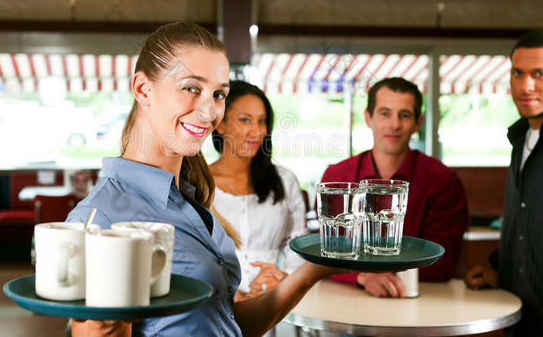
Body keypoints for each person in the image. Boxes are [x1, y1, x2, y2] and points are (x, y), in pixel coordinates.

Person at [66, 21, 349, 337]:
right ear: (143, 89)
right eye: (191, 88)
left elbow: (226, 323)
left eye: (218, 94)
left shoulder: (190, 199)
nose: (209, 110)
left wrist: (311, 271)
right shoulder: (100, 218)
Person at [321, 77, 468, 298]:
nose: (394, 125)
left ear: (418, 122)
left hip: (419, 299)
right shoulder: (337, 177)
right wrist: (362, 276)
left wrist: (370, 271)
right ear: (368, 117)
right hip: (349, 298)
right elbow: (326, 252)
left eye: (404, 115)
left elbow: (442, 263)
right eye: (385, 113)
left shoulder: (442, 180)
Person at [464, 29, 543, 335]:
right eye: (518, 73)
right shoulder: (519, 139)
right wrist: (498, 268)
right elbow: (525, 223)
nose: (527, 86)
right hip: (521, 319)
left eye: (539, 73)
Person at [210, 80, 307, 302]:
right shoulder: (198, 183)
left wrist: (284, 280)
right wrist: (234, 292)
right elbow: (193, 253)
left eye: (262, 121)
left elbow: (297, 244)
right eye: (245, 120)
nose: (256, 131)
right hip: (216, 303)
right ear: (220, 124)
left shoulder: (284, 180)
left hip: (271, 299)